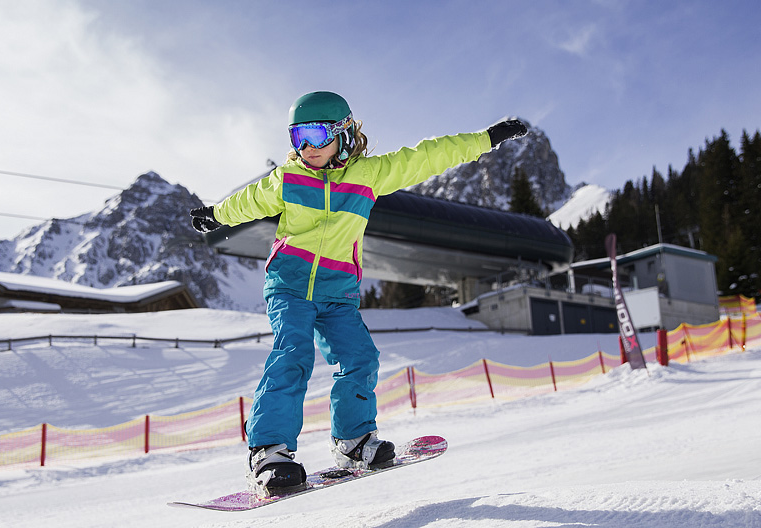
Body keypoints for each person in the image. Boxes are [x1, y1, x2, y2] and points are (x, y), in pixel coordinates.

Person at [190, 90, 527, 492]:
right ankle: (269, 453)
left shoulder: (369, 175)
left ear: (343, 132)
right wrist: (217, 214)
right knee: (293, 354)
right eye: (298, 137)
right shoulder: (288, 179)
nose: (307, 147)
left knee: (360, 358)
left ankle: (353, 441)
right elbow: (249, 201)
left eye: (316, 135)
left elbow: (427, 156)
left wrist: (486, 139)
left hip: (338, 293)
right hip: (290, 285)